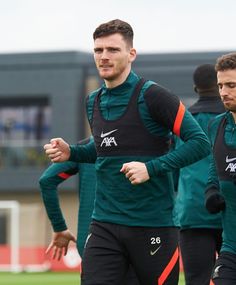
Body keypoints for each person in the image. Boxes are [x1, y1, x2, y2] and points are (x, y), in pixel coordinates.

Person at [44, 19, 210, 285]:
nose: (104, 57)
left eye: (112, 50)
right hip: (104, 224)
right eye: (98, 50)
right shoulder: (93, 101)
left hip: (153, 226)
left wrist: (151, 168)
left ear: (131, 54)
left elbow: (200, 142)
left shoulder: (155, 96)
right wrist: (72, 152)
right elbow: (105, 150)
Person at [39, 137, 140, 284]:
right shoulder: (145, 139)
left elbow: (47, 180)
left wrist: (59, 227)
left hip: (90, 240)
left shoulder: (83, 147)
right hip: (133, 235)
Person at [174, 64, 225, 285]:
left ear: (196, 88)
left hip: (192, 211)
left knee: (197, 280)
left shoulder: (181, 123)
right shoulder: (229, 119)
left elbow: (173, 170)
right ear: (220, 85)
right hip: (229, 212)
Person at [205, 52, 236, 285]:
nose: (224, 92)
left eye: (232, 85)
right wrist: (211, 192)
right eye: (221, 85)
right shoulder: (216, 125)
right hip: (231, 246)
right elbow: (214, 169)